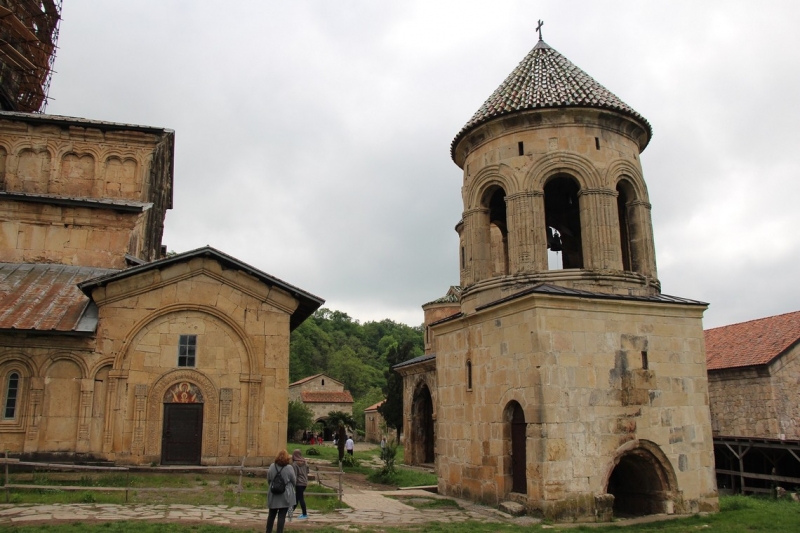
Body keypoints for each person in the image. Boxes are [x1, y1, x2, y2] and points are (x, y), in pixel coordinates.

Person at [266, 449, 296, 533]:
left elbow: (268, 479)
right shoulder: (289, 468)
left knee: (271, 515)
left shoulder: (272, 466)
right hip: (285, 495)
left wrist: (273, 486)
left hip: (273, 494)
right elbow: (294, 481)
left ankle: (268, 531)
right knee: (282, 516)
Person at [291, 449, 309, 520]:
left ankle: (304, 514)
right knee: (297, 498)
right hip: (304, 482)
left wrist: (293, 484)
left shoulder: (294, 464)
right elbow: (307, 471)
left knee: (300, 498)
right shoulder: (305, 462)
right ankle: (290, 511)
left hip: (298, 483)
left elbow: (294, 475)